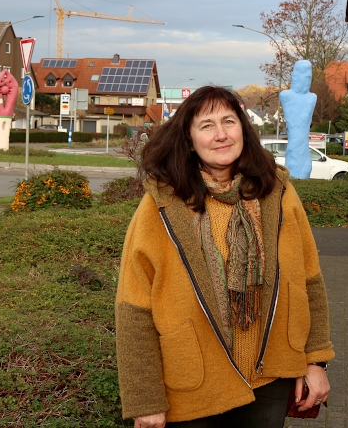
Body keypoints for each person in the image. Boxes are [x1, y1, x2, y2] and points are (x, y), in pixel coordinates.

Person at [116, 86, 333, 427]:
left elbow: (310, 282)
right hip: (195, 382)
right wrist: (145, 398)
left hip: (269, 380)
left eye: (229, 122)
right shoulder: (161, 205)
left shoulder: (278, 193)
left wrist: (316, 361)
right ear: (189, 140)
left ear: (243, 130)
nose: (221, 134)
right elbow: (134, 310)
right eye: (206, 125)